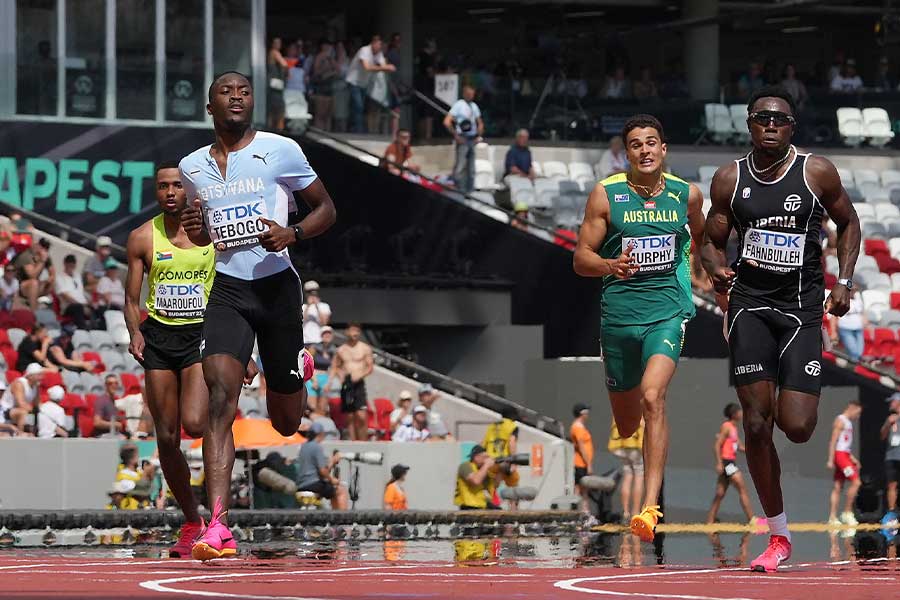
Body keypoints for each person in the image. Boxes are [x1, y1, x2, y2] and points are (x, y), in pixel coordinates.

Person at [701, 85, 860, 572]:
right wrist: (714, 268)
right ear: (748, 123)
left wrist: (845, 281)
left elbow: (849, 223)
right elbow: (710, 240)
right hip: (749, 306)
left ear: (793, 127)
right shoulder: (729, 179)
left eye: (781, 119)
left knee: (797, 426)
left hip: (801, 311)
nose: (771, 124)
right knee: (754, 422)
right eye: (762, 117)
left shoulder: (816, 172)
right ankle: (778, 534)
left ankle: (804, 386)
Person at [180, 71, 336, 561]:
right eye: (226, 92)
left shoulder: (281, 149)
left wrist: (293, 233)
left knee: (286, 422)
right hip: (227, 288)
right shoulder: (192, 167)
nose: (236, 97)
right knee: (221, 400)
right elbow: (207, 237)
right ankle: (219, 526)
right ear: (210, 107)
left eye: (244, 91)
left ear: (253, 104)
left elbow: (326, 208)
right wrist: (197, 229)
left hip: (276, 288)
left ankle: (296, 371)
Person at [574, 114, 706, 542]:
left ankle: (649, 508)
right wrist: (611, 265)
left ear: (663, 150)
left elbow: (698, 236)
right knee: (628, 422)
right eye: (636, 144)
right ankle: (646, 491)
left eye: (652, 142)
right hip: (618, 320)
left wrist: (701, 272)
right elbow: (581, 259)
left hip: (667, 313)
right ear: (626, 153)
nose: (645, 150)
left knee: (654, 397)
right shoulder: (606, 195)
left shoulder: (687, 196)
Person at [124, 161, 219, 558]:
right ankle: (191, 520)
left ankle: (217, 513)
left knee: (196, 422)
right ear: (156, 192)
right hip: (160, 336)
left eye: (177, 186)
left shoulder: (214, 235)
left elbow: (237, 287)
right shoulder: (142, 237)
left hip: (201, 334)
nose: (169, 192)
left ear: (190, 192)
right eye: (162, 186)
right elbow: (131, 298)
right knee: (166, 437)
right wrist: (134, 332)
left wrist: (243, 348)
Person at [706, 403, 757, 525]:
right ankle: (752, 520)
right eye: (740, 411)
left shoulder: (733, 429)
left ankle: (709, 521)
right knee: (742, 489)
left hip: (729, 463)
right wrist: (719, 463)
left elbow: (739, 447)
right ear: (735, 414)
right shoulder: (727, 426)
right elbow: (717, 445)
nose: (742, 413)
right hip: (727, 463)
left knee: (720, 494)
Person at [331, 323, 374, 441]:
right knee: (349, 415)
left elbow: (370, 367)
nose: (355, 333)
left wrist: (361, 375)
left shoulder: (364, 348)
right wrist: (339, 377)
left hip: (359, 383)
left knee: (361, 414)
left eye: (357, 331)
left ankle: (363, 441)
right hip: (347, 383)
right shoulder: (341, 350)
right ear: (347, 332)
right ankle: (353, 442)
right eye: (352, 330)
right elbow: (335, 366)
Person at [345, 35, 396, 133]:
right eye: (379, 45)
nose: (380, 47)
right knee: (358, 105)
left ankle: (355, 127)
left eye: (382, 46)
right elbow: (367, 67)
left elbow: (383, 66)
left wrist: (388, 67)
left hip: (363, 83)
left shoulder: (379, 53)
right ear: (373, 43)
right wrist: (386, 68)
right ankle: (357, 129)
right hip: (354, 81)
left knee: (359, 107)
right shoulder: (364, 50)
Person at [296, 420, 349, 509]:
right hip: (313, 484)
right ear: (321, 434)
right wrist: (332, 479)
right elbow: (323, 471)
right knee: (340, 490)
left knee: (331, 491)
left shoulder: (303, 447)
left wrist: (331, 462)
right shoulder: (317, 447)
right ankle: (341, 518)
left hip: (301, 484)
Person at [826, 399, 862, 526]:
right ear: (852, 407)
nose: (857, 416)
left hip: (845, 455)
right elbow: (833, 441)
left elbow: (845, 444)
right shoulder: (840, 420)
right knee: (856, 482)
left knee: (838, 486)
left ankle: (832, 517)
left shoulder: (848, 423)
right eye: (857, 413)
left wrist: (852, 458)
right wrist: (831, 459)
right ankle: (847, 513)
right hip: (840, 456)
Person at [444, 85, 484, 194]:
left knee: (471, 168)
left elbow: (479, 122)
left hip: (472, 138)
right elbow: (447, 121)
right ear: (464, 94)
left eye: (472, 94)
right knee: (460, 166)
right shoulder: (459, 105)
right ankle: (459, 190)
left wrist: (478, 135)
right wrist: (456, 136)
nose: (471, 96)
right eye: (469, 94)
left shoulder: (474, 106)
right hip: (463, 138)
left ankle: (470, 192)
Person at [482, 406, 520, 508]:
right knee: (513, 485)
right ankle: (513, 511)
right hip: (505, 461)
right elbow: (512, 442)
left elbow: (483, 444)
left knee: (492, 487)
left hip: (491, 461)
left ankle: (490, 510)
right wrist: (514, 461)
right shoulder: (512, 426)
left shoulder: (492, 426)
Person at [608, 420, 644, 523]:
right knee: (639, 476)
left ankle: (625, 512)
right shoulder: (639, 408)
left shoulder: (620, 406)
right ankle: (635, 512)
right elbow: (643, 426)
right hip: (636, 447)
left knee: (627, 475)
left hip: (621, 446)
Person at [0, 363, 43, 433]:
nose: (41, 377)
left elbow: (38, 404)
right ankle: (20, 434)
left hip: (14, 411)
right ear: (30, 376)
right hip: (4, 411)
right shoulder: (19, 384)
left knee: (41, 415)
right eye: (39, 375)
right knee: (22, 412)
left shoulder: (36, 386)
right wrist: (35, 411)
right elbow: (21, 404)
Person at [454, 445, 498, 510]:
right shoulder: (465, 466)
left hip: (484, 505)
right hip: (469, 506)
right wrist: (486, 465)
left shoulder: (484, 470)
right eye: (485, 457)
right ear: (476, 457)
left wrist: (503, 470)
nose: (487, 459)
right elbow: (475, 481)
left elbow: (496, 484)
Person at [15, 237, 54, 310]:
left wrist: (49, 280)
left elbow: (52, 273)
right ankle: (33, 310)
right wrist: (42, 261)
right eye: (42, 247)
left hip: (34, 284)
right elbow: (32, 275)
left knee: (51, 282)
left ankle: (39, 300)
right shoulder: (27, 255)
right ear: (37, 245)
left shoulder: (46, 257)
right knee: (34, 283)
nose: (44, 250)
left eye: (46, 248)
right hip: (19, 285)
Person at [54, 254, 92, 329]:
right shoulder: (60, 278)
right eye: (69, 264)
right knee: (78, 307)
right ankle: (83, 329)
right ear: (65, 264)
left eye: (73, 264)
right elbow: (65, 296)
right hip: (68, 306)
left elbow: (81, 292)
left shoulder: (77, 276)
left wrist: (89, 303)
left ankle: (95, 329)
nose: (71, 266)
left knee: (97, 307)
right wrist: (82, 306)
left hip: (81, 304)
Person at [570, 403, 594, 514]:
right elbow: (581, 446)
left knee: (582, 488)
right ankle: (582, 511)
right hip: (581, 463)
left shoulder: (579, 427)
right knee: (582, 489)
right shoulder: (578, 427)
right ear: (582, 413)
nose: (588, 414)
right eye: (586, 412)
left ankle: (582, 511)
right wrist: (588, 464)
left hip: (582, 463)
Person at [881, 393, 900, 520]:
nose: (890, 404)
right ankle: (892, 512)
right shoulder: (890, 418)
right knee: (892, 485)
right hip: (891, 456)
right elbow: (882, 436)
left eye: (892, 401)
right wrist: (888, 424)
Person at [836, 289, 865, 360]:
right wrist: (834, 331)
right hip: (845, 329)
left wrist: (866, 325)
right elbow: (834, 316)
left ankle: (854, 367)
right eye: (851, 290)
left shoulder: (858, 300)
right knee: (854, 352)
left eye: (854, 290)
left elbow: (862, 313)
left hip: (858, 329)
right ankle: (854, 369)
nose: (853, 292)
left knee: (860, 352)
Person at [267, 37, 288, 131]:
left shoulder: (271, 53)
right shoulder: (274, 52)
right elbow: (284, 64)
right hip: (276, 86)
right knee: (279, 109)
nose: (278, 44)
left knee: (272, 109)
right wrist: (285, 73)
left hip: (273, 85)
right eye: (276, 42)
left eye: (279, 42)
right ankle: (279, 130)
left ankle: (271, 129)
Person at [301, 280, 332, 346]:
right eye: (309, 292)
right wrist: (308, 306)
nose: (312, 295)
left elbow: (324, 323)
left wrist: (317, 306)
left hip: (319, 340)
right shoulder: (303, 307)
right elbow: (301, 322)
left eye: (314, 292)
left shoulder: (324, 306)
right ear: (306, 294)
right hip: (305, 340)